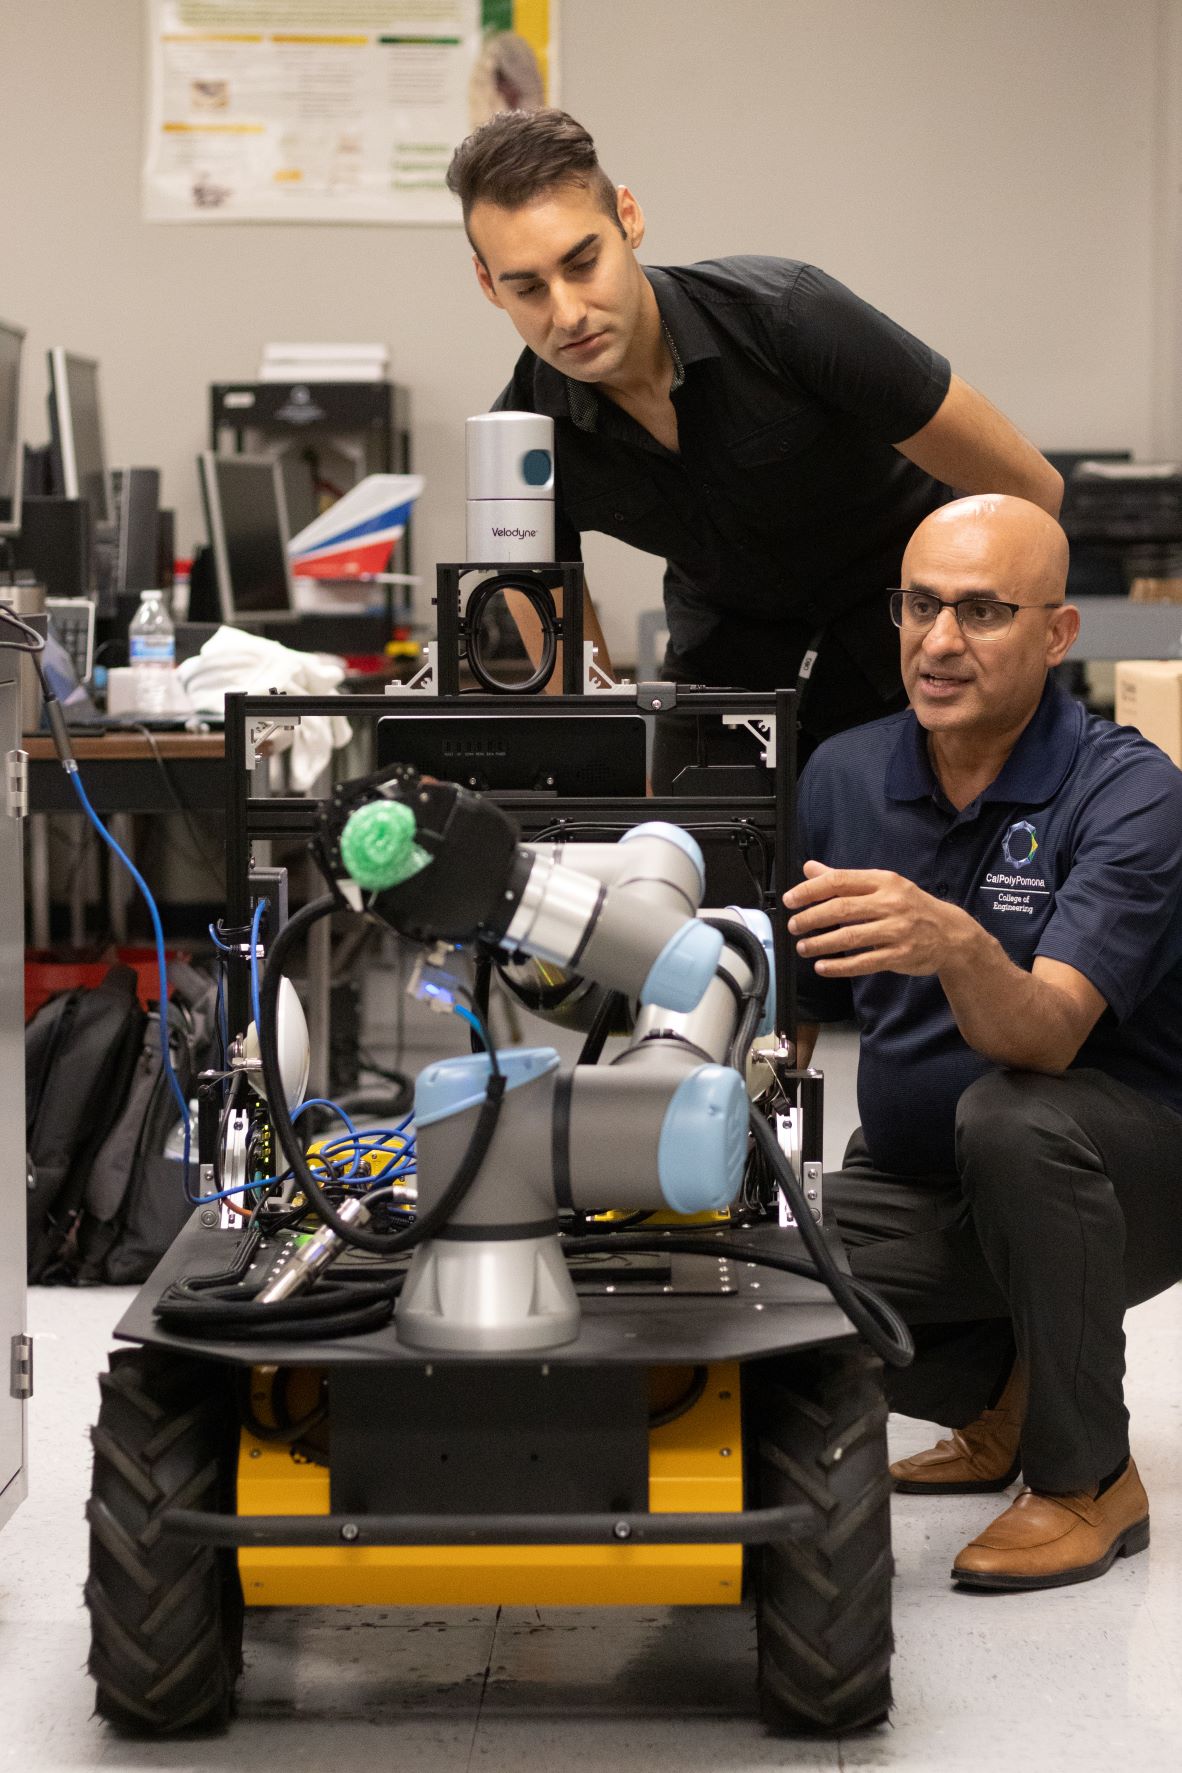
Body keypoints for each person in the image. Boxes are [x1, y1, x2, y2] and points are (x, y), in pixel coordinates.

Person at [784, 493, 1182, 1590]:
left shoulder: (1129, 793)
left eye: (983, 611)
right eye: (920, 606)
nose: (941, 641)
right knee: (772, 1280)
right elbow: (796, 1018)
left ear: (1058, 634)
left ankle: (1088, 1478)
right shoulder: (846, 776)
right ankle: (1002, 1393)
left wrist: (955, 942)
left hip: (1123, 1178)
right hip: (920, 1178)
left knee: (1009, 1116)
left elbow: (1048, 1037)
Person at [445, 108, 1063, 785]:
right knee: (682, 862)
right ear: (487, 284)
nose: (566, 313)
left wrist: (978, 658)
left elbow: (1030, 491)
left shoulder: (790, 317)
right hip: (727, 675)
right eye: (527, 287)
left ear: (628, 218)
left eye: (583, 262)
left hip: (911, 651)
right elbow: (574, 691)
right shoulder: (523, 439)